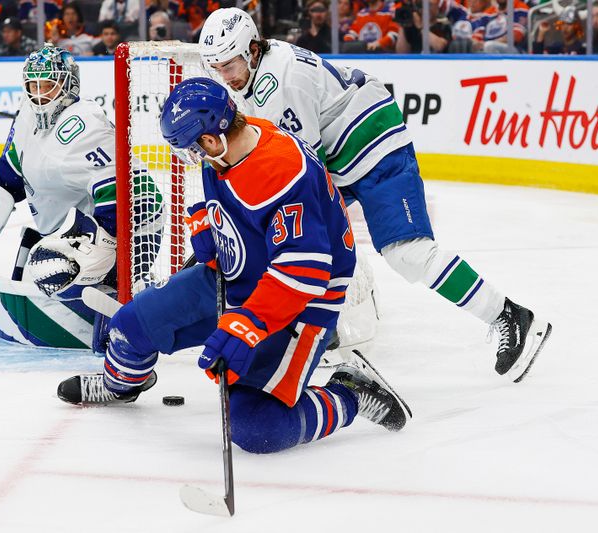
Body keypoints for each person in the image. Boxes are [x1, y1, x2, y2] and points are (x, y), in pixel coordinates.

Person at [57, 78, 410, 455]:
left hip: (299, 303)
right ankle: (121, 386)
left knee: (257, 428)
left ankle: (349, 394)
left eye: (192, 149)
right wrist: (208, 221)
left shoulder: (282, 173)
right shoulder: (233, 143)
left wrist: (248, 325)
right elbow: (231, 197)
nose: (193, 158)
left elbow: (305, 270)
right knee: (129, 325)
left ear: (210, 140)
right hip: (234, 273)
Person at [198, 8, 552, 382]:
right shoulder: (257, 73)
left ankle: (508, 315)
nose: (225, 76)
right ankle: (320, 326)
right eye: (216, 67)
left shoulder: (280, 80)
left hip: (375, 150)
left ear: (253, 49)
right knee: (301, 238)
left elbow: (299, 168)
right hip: (339, 156)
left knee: (407, 254)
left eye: (231, 64)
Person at [0, 44, 163, 350]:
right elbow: (12, 174)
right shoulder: (26, 118)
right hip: (87, 218)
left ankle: (117, 300)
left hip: (135, 223)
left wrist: (104, 245)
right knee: (37, 249)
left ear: (68, 84)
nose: (39, 94)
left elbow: (118, 190)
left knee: (50, 265)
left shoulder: (86, 124)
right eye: (34, 85)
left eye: (48, 85)